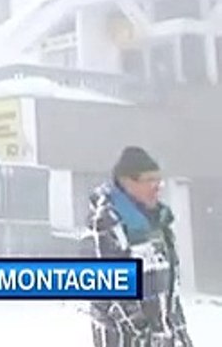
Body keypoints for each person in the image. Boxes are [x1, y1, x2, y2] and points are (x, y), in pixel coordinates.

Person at [87, 146, 193, 347]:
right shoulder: (104, 223)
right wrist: (147, 334)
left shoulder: (159, 223)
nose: (158, 186)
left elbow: (170, 291)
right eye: (150, 180)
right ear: (127, 182)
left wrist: (181, 336)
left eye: (158, 180)